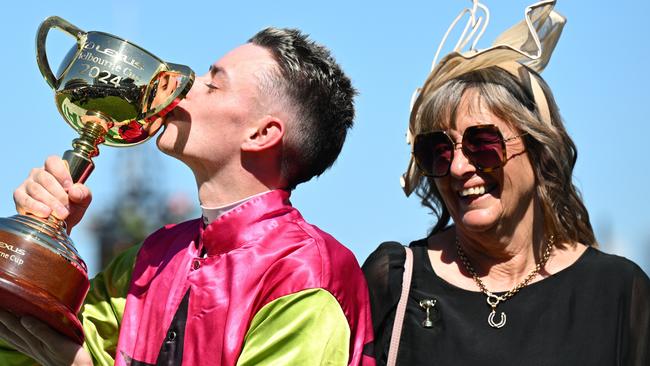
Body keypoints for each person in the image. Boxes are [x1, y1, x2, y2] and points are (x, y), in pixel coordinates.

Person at [0, 27, 375, 366]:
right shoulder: (152, 257)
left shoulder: (304, 274)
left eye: (212, 84)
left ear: (262, 134)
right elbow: (17, 346)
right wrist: (35, 252)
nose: (182, 85)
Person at [362, 1, 650, 365]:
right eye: (439, 151)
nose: (458, 168)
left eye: (482, 144)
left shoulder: (618, 292)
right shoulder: (395, 283)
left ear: (538, 149)